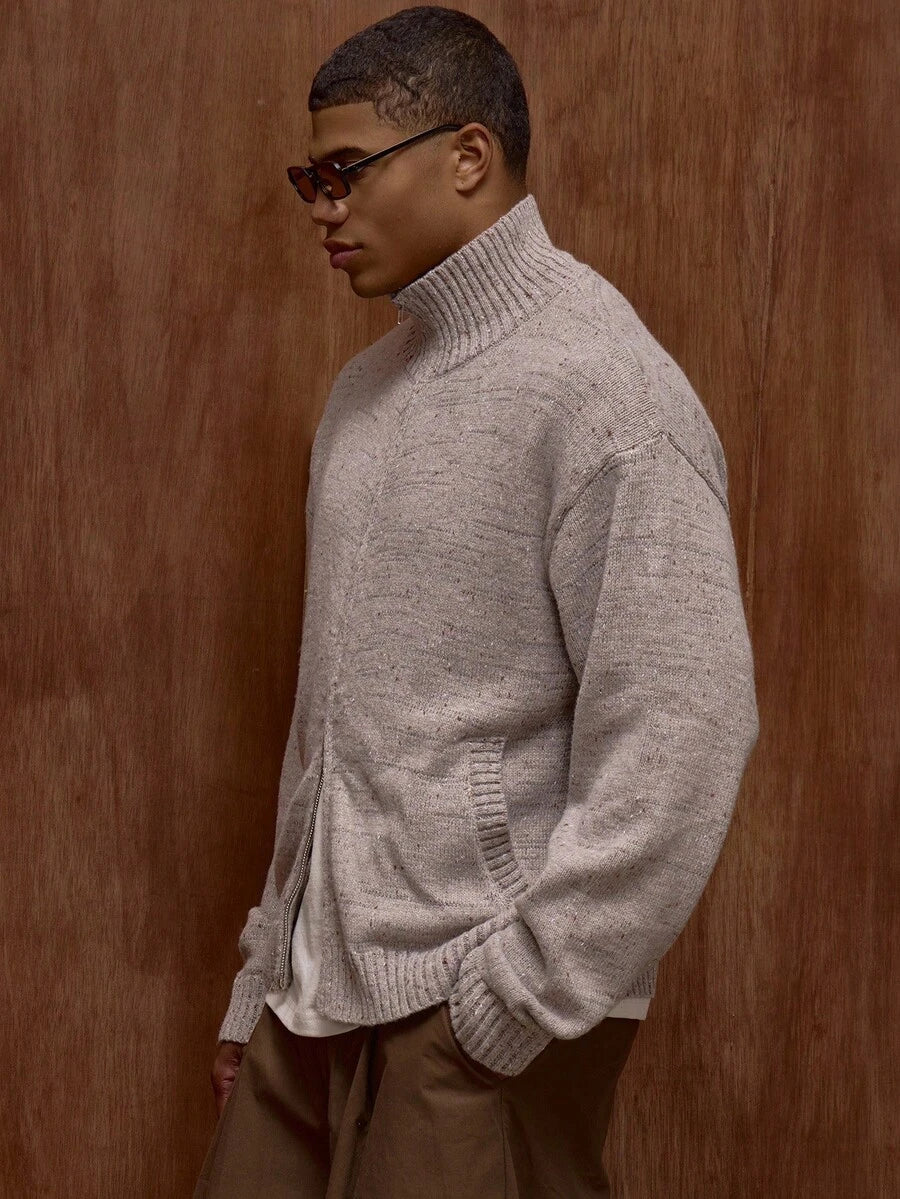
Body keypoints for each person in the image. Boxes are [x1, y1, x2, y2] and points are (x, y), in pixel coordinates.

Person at [193, 7, 759, 1197]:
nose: (322, 207)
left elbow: (686, 727)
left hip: (475, 1009)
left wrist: (522, 992)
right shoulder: (361, 395)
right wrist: (262, 972)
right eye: (310, 179)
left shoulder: (607, 391)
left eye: (347, 170)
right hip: (311, 995)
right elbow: (326, 723)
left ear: (468, 156)